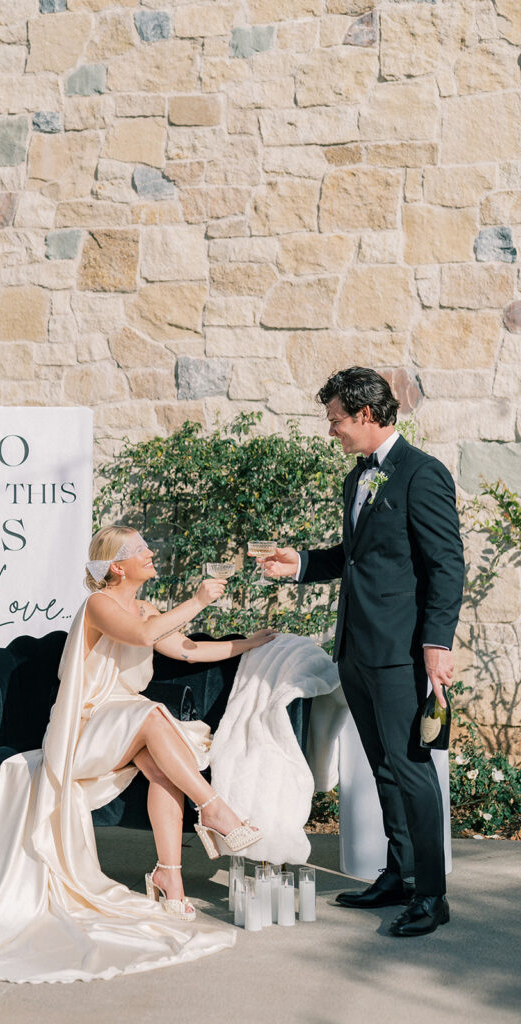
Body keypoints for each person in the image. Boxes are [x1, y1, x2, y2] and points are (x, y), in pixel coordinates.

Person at [0, 525, 276, 983]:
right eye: (140, 549)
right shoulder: (100, 605)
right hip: (80, 733)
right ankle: (215, 809)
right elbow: (142, 637)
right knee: (152, 717)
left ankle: (170, 878)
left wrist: (250, 645)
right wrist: (198, 600)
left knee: (161, 763)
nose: (150, 552)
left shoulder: (145, 606)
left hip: (123, 725)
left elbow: (186, 649)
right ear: (117, 566)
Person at [260, 367, 464, 938]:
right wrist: (297, 563)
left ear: (368, 415)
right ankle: (397, 876)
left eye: (337, 420)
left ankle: (432, 895)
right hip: (356, 648)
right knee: (382, 767)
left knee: (413, 769)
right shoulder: (358, 479)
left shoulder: (423, 475)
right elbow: (351, 557)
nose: (333, 431)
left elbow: (447, 567)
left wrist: (436, 645)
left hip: (401, 654)